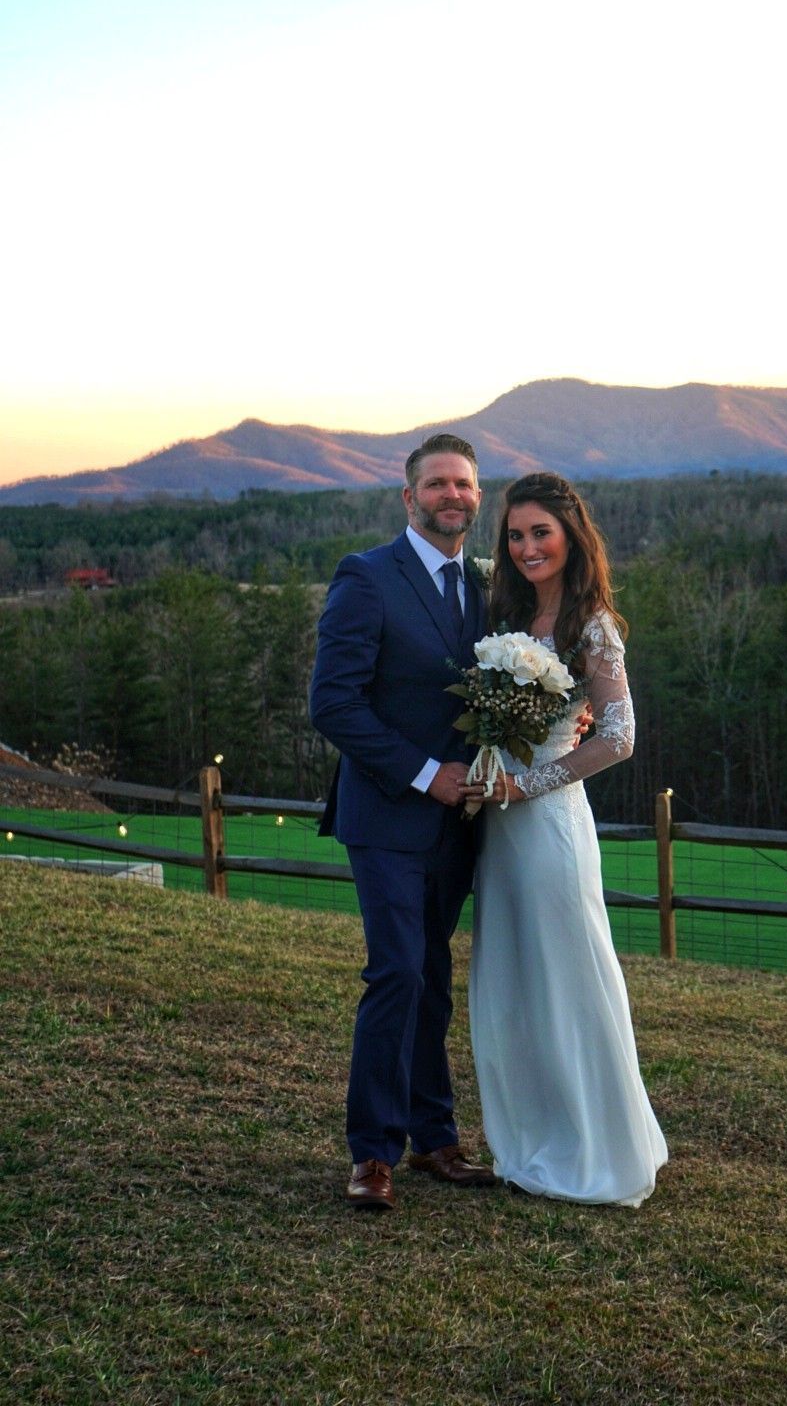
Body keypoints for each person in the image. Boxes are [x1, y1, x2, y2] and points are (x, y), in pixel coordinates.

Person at [462, 472, 668, 1206]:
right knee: (515, 984)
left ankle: (597, 1149)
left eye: (540, 533)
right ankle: (536, 1139)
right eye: (515, 535)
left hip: (548, 826)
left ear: (571, 535)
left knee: (568, 979)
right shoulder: (506, 609)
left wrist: (530, 784)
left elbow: (619, 737)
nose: (526, 548)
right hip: (500, 832)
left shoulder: (591, 624)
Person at [309, 433, 497, 1209]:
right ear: (408, 496)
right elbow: (334, 704)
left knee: (434, 977)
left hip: (461, 826)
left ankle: (436, 1139)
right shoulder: (367, 577)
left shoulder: (486, 589)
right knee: (396, 972)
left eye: (465, 485)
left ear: (477, 498)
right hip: (387, 815)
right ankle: (374, 1154)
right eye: (438, 484)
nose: (453, 495)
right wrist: (426, 775)